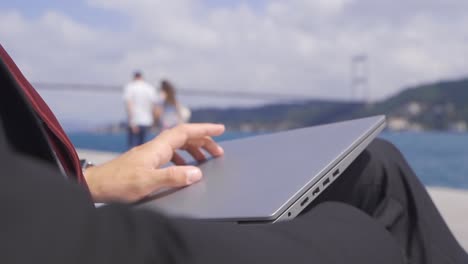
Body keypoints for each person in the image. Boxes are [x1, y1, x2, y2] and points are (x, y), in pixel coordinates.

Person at [1, 50, 467, 264]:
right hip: (64, 243)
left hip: (51, 209)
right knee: (360, 235)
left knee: (375, 165)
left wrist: (90, 180)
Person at [123, 71, 160, 148]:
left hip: (135, 121)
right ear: (142, 77)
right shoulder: (150, 88)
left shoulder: (130, 87)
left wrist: (132, 122)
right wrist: (155, 121)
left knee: (132, 149)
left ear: (134, 77)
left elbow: (129, 105)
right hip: (147, 121)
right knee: (143, 148)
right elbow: (155, 106)